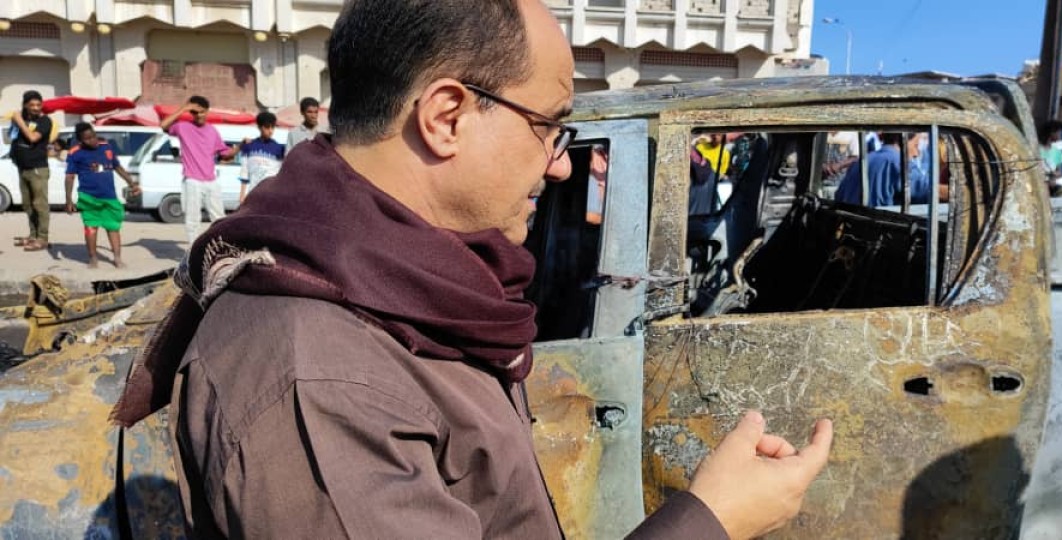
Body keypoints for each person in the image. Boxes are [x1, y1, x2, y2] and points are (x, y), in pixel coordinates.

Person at [112, 0, 833, 538]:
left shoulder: (407, 289)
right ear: (448, 115)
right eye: (549, 125)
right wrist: (713, 520)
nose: (558, 163)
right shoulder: (320, 376)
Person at [160, 95, 239, 243]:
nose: (199, 115)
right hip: (192, 180)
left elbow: (225, 153)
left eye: (202, 112)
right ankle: (193, 253)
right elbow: (163, 125)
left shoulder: (212, 131)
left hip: (211, 180)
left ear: (207, 111)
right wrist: (184, 108)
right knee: (192, 220)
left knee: (219, 218)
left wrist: (239, 147)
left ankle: (222, 248)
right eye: (195, 112)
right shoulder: (183, 127)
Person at [64, 122, 141, 268]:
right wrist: (68, 200)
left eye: (93, 136)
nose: (92, 140)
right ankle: (93, 258)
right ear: (80, 140)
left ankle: (117, 258)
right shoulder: (75, 152)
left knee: (113, 227)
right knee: (91, 228)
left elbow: (117, 166)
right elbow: (70, 177)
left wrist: (132, 183)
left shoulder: (106, 146)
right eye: (87, 139)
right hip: (88, 197)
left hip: (109, 197)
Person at [835, 132, 941, 207]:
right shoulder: (899, 163)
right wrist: (954, 190)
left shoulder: (860, 162)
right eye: (916, 145)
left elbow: (839, 195)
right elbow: (929, 190)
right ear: (902, 141)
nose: (916, 153)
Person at [7, 90, 54, 251]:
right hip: (23, 168)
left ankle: (43, 238)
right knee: (28, 204)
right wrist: (16, 122)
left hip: (37, 169)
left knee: (39, 204)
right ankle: (33, 235)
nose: (35, 108)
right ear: (25, 105)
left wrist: (19, 121)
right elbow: (10, 138)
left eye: (38, 104)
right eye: (32, 104)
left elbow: (33, 138)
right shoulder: (23, 120)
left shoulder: (45, 121)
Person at [238, 112, 286, 203]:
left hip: (272, 194)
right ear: (259, 127)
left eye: (273, 127)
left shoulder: (279, 149)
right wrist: (242, 195)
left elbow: (281, 174)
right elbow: (244, 171)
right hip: (253, 193)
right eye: (267, 127)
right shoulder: (249, 146)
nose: (271, 131)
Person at [1038, 120, 1062, 190]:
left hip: (1049, 188)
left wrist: (1054, 174)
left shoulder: (1057, 152)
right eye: (1059, 133)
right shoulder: (1036, 149)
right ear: (1052, 133)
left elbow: (1059, 172)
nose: (1060, 136)